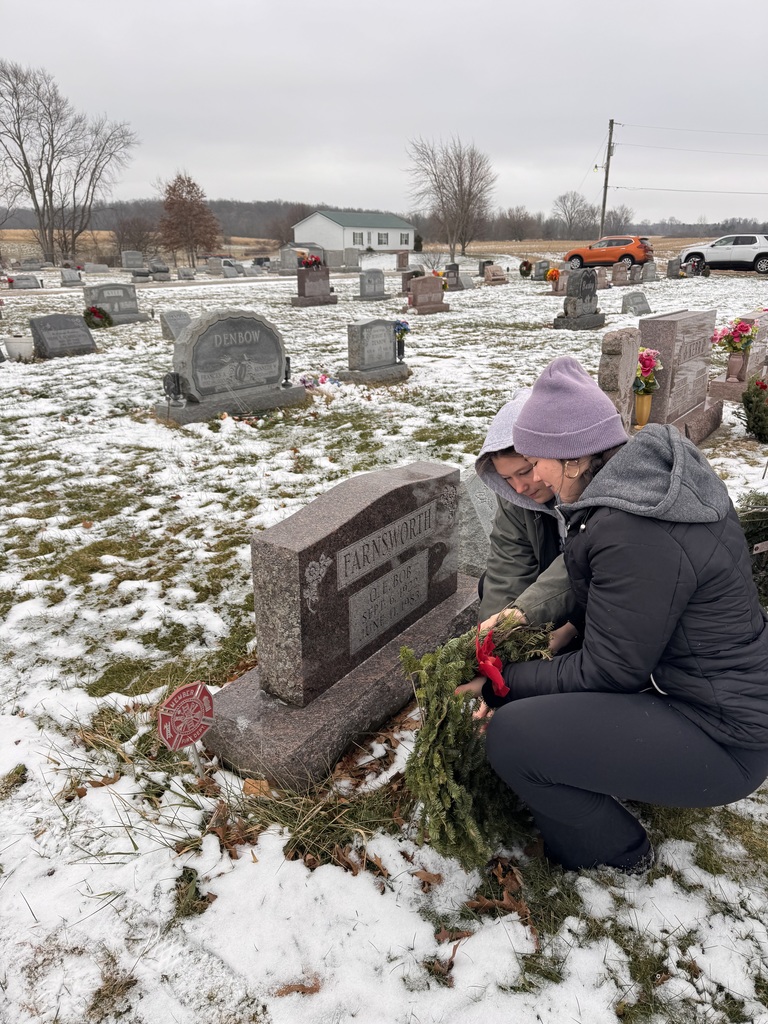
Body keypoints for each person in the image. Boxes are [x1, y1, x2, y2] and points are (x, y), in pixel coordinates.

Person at [457, 356, 768, 873]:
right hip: (699, 697)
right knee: (540, 710)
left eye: (536, 464)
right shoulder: (641, 493)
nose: (532, 480)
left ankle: (614, 852)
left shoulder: (633, 529)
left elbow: (609, 670)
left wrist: (497, 685)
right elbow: (625, 616)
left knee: (514, 736)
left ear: (574, 459)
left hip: (723, 737)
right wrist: (553, 637)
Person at [475, 389, 577, 638]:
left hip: (595, 598)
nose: (520, 488)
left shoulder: (583, 487)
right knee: (486, 585)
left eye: (524, 471)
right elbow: (507, 567)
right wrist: (489, 645)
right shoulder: (515, 498)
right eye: (506, 478)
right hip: (545, 595)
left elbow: (579, 565)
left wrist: (522, 614)